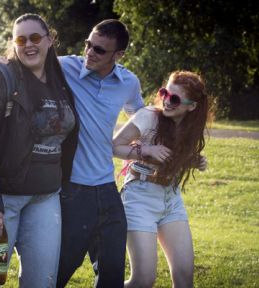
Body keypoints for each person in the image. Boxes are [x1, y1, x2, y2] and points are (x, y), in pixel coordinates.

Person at [0, 14, 78, 287]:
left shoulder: (61, 79)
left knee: (42, 281)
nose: (28, 45)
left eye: (35, 37)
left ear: (50, 39)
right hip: (5, 202)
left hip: (46, 198)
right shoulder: (3, 78)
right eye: (20, 39)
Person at [57, 19, 145, 288]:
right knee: (59, 269)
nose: (89, 52)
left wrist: (148, 146)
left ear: (119, 55)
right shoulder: (63, 67)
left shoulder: (128, 82)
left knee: (112, 273)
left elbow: (141, 117)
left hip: (107, 188)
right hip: (72, 190)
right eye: (88, 44)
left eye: (99, 49)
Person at [113, 71, 211, 288]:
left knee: (185, 278)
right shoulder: (148, 116)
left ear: (191, 106)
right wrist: (147, 150)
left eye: (174, 99)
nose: (167, 100)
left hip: (171, 200)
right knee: (143, 280)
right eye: (165, 93)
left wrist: (193, 161)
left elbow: (172, 158)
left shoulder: (190, 127)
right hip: (139, 198)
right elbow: (114, 146)